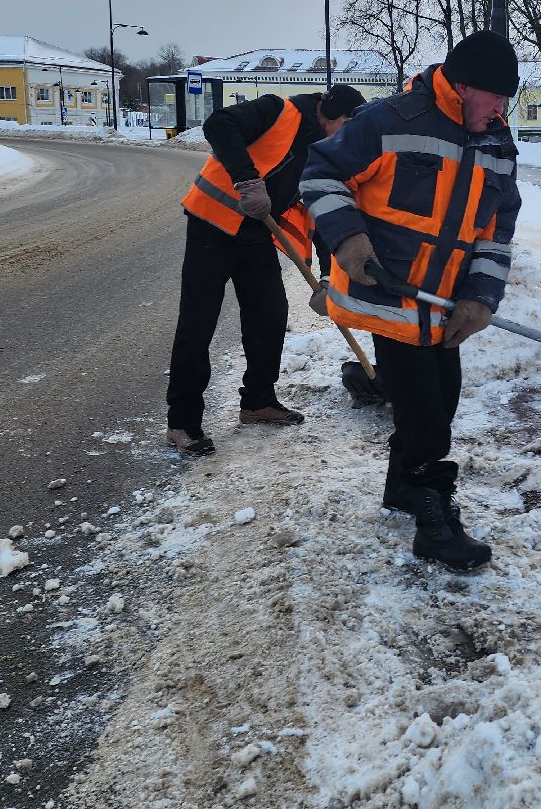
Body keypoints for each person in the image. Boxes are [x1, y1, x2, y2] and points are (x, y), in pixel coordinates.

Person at [300, 30, 522, 570]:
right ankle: (433, 524)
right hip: (390, 296)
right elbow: (321, 174)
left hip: (442, 303)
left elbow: (497, 229)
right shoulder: (390, 119)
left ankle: (402, 487)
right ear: (463, 85)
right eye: (495, 97)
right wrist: (349, 240)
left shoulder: (495, 139)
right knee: (427, 417)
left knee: (443, 395)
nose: (501, 110)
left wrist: (480, 297)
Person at [165, 82, 367, 454]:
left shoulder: (326, 150)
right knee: (198, 322)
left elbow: (321, 213)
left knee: (270, 315)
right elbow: (219, 124)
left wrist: (327, 276)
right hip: (212, 224)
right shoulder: (278, 110)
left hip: (255, 231)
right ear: (330, 114)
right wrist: (247, 179)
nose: (347, 138)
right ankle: (182, 422)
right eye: (346, 127)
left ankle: (258, 401)